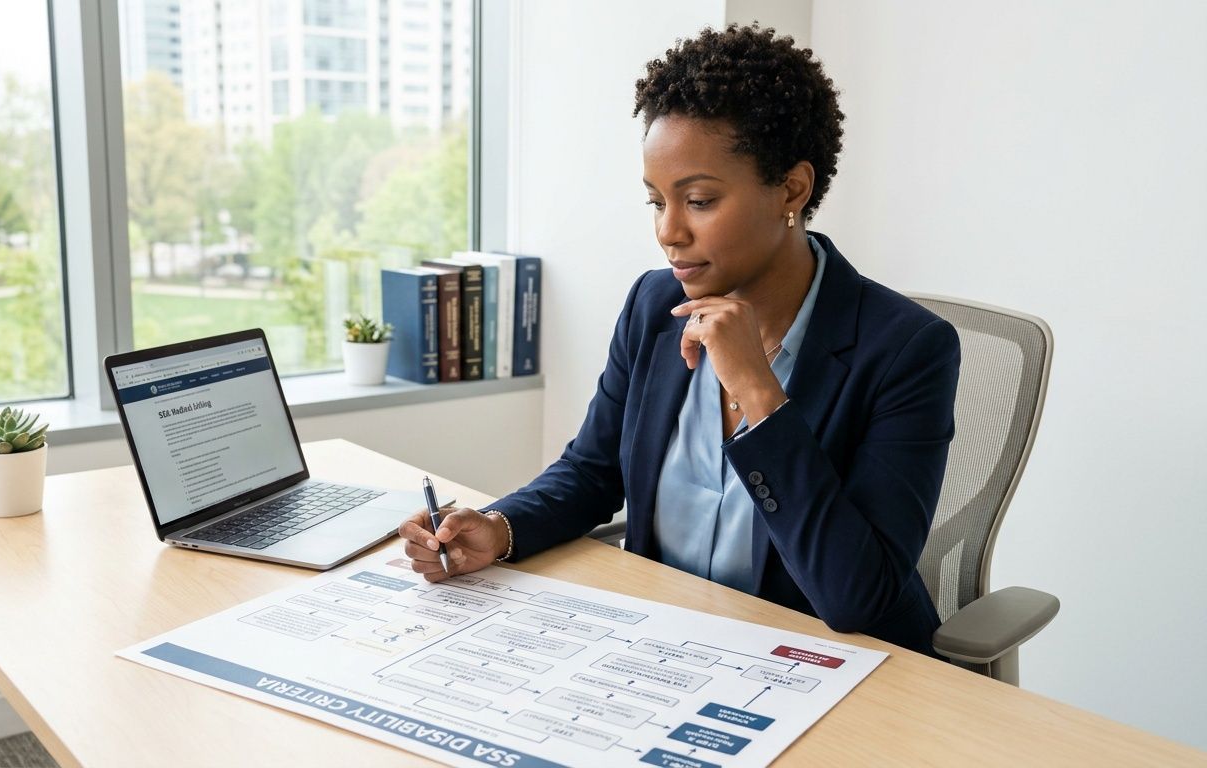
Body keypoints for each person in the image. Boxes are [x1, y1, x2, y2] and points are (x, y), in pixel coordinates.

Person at [398, 24, 960, 656]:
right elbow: (592, 470)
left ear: (792, 191)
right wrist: (500, 527)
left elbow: (857, 596)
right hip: (669, 648)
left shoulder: (908, 350)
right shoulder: (655, 304)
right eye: (655, 201)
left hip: (831, 666)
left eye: (697, 200)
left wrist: (758, 391)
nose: (668, 232)